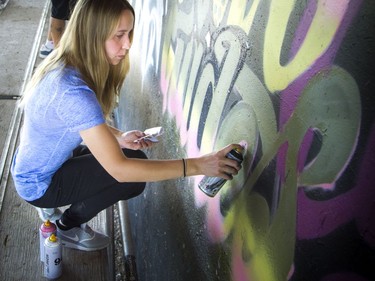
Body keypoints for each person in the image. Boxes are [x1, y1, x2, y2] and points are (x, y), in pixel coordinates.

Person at [11, 0, 242, 252]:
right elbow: (120, 171)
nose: (128, 44)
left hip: (35, 163)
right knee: (132, 178)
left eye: (129, 33)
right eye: (119, 35)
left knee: (132, 156)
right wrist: (199, 165)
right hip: (39, 184)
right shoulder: (73, 92)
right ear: (91, 35)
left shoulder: (65, 61)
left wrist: (119, 137)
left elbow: (78, 122)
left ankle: (58, 212)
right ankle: (66, 227)